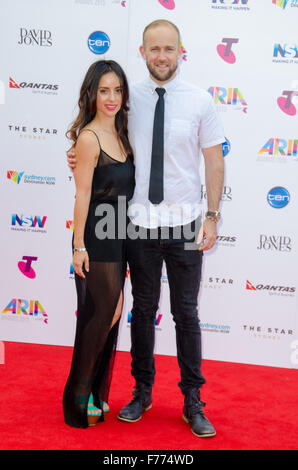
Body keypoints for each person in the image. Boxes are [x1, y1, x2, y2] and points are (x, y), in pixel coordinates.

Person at [68, 20, 225, 438]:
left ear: (180, 51)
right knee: (141, 313)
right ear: (142, 52)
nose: (161, 56)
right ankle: (142, 391)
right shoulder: (129, 96)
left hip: (187, 224)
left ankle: (193, 399)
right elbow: (102, 131)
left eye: (169, 49)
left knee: (186, 315)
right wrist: (78, 151)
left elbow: (213, 160)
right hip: (138, 225)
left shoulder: (199, 101)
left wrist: (212, 215)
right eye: (154, 49)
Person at [63, 59, 135, 428]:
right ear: (91, 94)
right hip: (94, 238)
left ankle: (93, 391)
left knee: (112, 314)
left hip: (118, 235)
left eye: (117, 90)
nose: (111, 98)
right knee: (96, 320)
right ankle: (76, 401)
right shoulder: (89, 138)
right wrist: (79, 246)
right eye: (104, 90)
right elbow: (82, 194)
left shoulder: (122, 133)